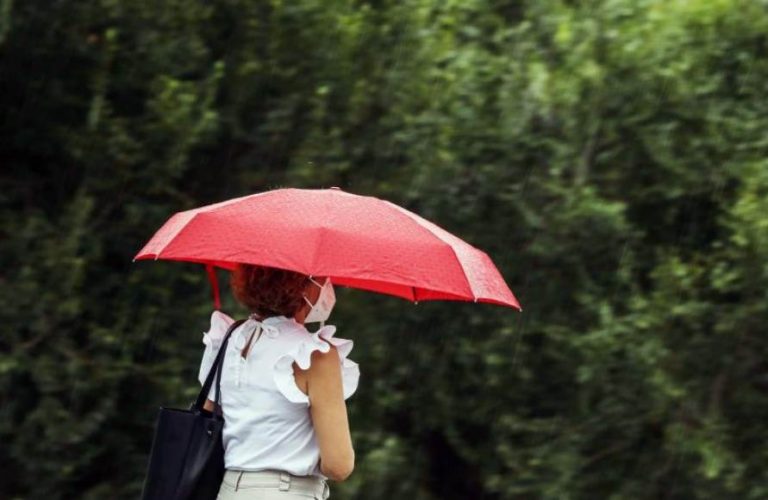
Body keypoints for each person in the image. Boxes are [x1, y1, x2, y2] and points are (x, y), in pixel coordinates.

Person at [198, 263, 359, 499]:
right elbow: (338, 465)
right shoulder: (314, 354)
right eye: (321, 278)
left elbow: (209, 416)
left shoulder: (228, 339)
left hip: (228, 489)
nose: (327, 285)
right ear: (305, 286)